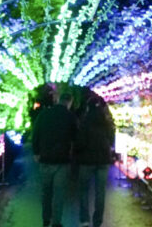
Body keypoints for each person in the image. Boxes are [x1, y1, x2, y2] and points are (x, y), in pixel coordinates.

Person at [31, 88, 77, 227]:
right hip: (62, 160)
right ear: (69, 102)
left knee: (46, 192)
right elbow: (75, 137)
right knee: (59, 193)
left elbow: (36, 134)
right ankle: (56, 222)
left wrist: (36, 152)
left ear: (58, 100)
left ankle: (46, 219)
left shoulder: (44, 114)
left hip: (45, 158)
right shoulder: (70, 116)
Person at [75, 98, 115, 227]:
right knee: (100, 192)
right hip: (103, 161)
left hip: (87, 161)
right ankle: (97, 220)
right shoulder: (107, 123)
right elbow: (111, 140)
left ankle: (84, 219)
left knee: (84, 190)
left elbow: (80, 143)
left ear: (89, 108)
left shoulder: (85, 122)